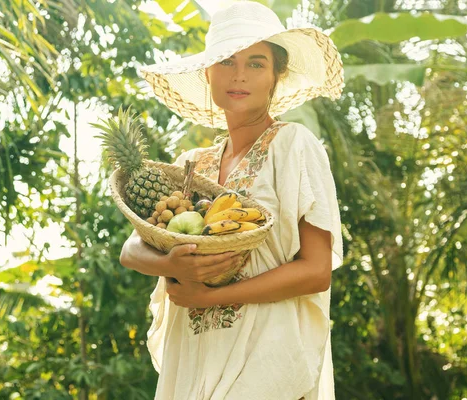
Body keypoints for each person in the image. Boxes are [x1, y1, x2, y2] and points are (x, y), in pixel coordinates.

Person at [120, 2, 344, 399]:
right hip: (193, 353)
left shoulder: (294, 146)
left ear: (277, 75)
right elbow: (132, 248)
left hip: (266, 350)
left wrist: (210, 296)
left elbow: (316, 271)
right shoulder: (191, 167)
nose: (239, 75)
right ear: (208, 74)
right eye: (226, 61)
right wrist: (169, 264)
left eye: (256, 63)